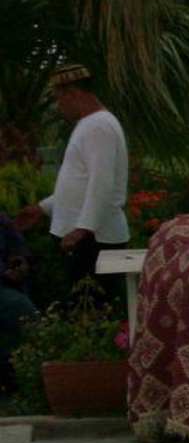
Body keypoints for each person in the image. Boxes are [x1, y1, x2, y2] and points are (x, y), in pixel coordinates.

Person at [14, 63, 130, 295]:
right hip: (85, 239)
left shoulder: (98, 126)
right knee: (81, 307)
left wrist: (82, 229)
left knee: (91, 307)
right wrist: (42, 208)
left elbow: (101, 183)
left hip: (94, 240)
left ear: (73, 93)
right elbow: (78, 184)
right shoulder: (89, 124)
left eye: (59, 99)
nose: (58, 106)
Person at [0, 212, 38, 393]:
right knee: (16, 306)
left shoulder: (2, 220)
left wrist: (20, 262)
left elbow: (19, 249)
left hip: (6, 286)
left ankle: (21, 381)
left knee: (21, 309)